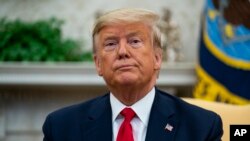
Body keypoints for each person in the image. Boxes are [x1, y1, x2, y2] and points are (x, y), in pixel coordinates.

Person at [42, 8, 223, 141]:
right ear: (98, 64)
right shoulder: (61, 128)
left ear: (157, 59)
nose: (122, 51)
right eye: (111, 44)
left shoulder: (202, 127)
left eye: (134, 41)